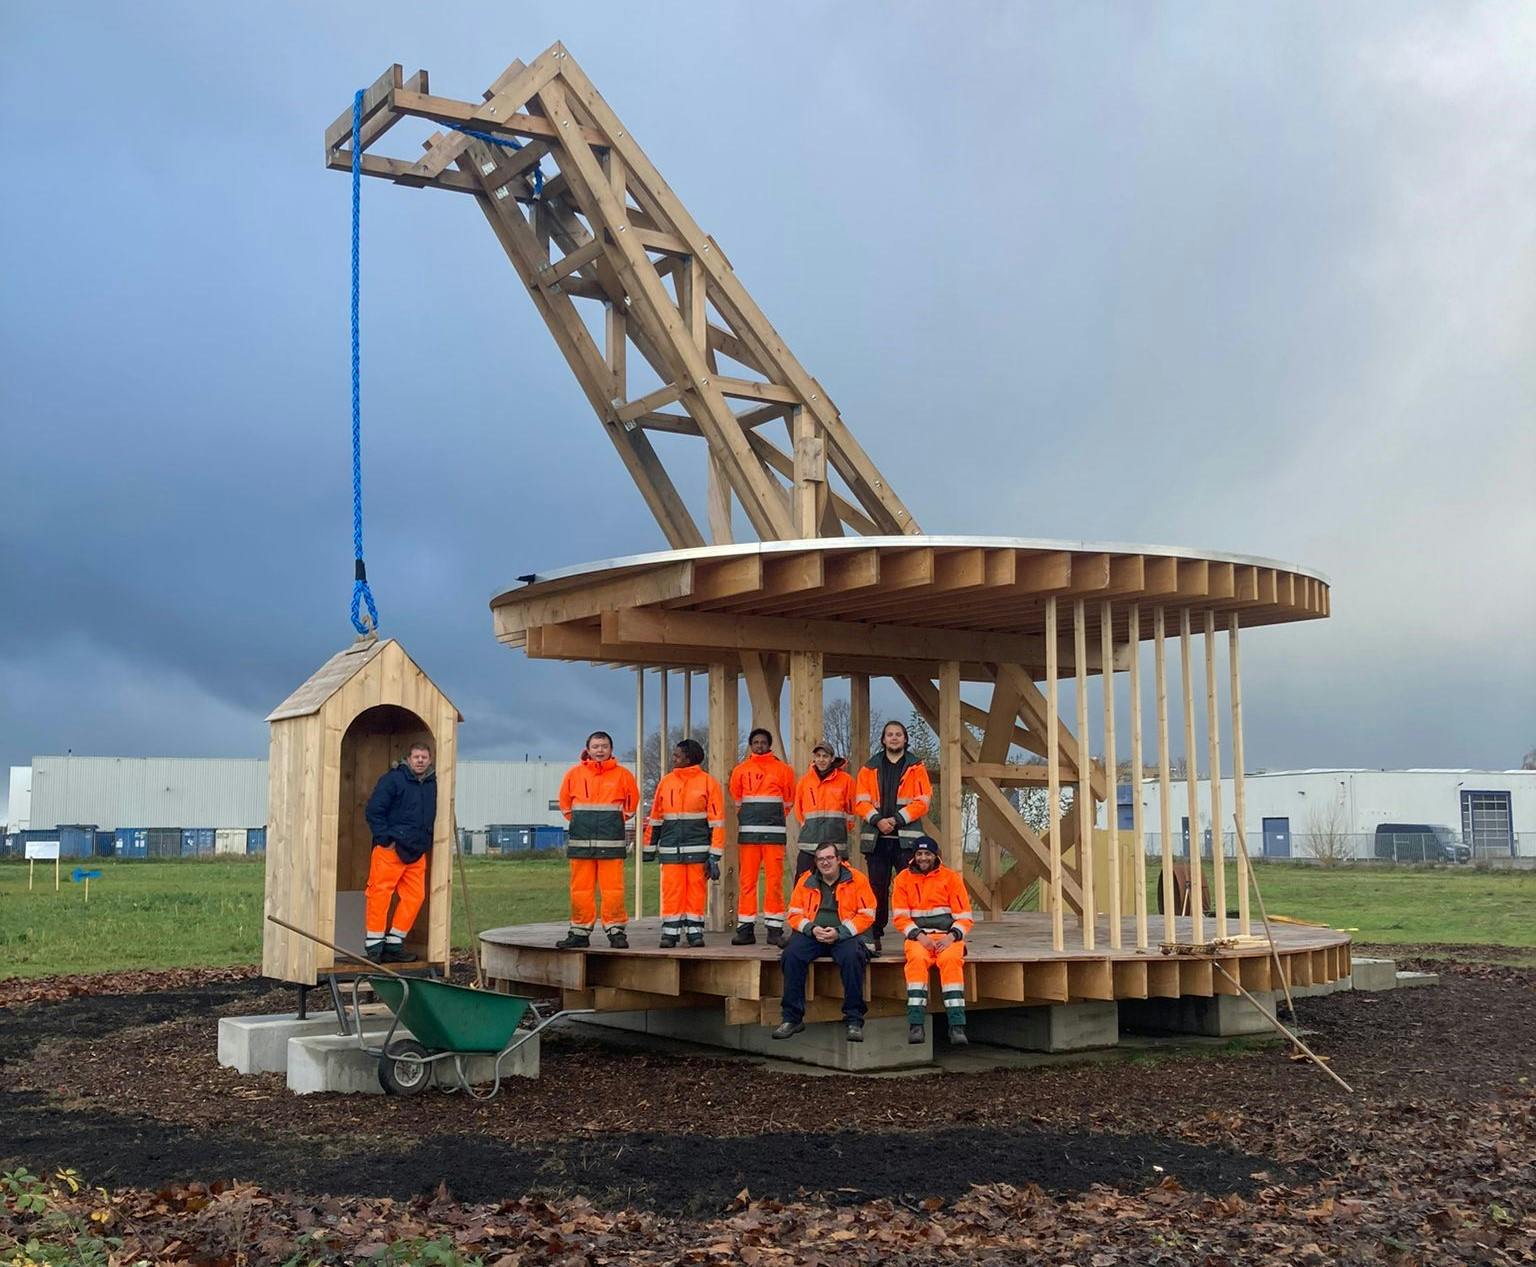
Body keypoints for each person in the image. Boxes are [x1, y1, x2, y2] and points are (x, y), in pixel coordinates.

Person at [772, 840, 878, 1043]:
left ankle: (854, 1020)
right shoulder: (806, 880)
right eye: (820, 859)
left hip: (845, 935)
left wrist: (840, 932)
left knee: (854, 957)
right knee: (791, 955)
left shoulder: (857, 879)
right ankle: (792, 1019)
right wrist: (811, 929)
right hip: (814, 934)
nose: (825, 862)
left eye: (829, 858)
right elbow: (794, 914)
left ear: (839, 859)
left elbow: (867, 914)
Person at [554, 730, 641, 950]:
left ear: (611, 749)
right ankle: (579, 932)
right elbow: (565, 803)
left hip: (610, 843)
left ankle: (616, 931)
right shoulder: (574, 774)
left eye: (604, 746)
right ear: (588, 749)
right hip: (581, 843)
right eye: (596, 747)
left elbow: (631, 804)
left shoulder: (623, 775)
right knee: (580, 889)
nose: (600, 750)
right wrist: (580, 822)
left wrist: (613, 821)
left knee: (613, 890)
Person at [853, 720, 933, 955]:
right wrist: (878, 820)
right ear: (883, 739)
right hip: (877, 839)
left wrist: (896, 819)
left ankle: (921, 934)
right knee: (876, 888)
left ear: (905, 739)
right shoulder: (869, 768)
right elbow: (860, 801)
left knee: (913, 887)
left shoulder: (916, 767)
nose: (894, 738)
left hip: (906, 840)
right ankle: (874, 934)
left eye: (898, 734)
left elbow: (923, 801)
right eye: (890, 734)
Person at [890, 835, 973, 1045]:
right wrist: (919, 935)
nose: (923, 857)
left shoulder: (951, 878)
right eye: (919, 854)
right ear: (914, 856)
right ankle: (916, 1024)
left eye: (927, 853)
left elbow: (964, 917)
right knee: (916, 964)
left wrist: (952, 936)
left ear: (936, 855)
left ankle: (957, 1026)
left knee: (952, 964)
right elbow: (900, 917)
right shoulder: (902, 879)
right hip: (919, 937)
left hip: (947, 936)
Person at [643, 738, 723, 948]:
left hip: (698, 850)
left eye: (677, 755)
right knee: (672, 891)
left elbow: (718, 823)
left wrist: (714, 856)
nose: (674, 758)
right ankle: (670, 934)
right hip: (671, 849)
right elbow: (656, 817)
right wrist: (648, 849)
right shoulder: (666, 782)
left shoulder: (708, 783)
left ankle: (695, 933)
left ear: (689, 758)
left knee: (696, 892)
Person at [363, 740, 437, 963]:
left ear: (430, 760)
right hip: (391, 850)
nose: (421, 761)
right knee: (380, 894)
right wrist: (386, 839)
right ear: (408, 759)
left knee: (416, 897)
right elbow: (374, 811)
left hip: (417, 850)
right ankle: (374, 946)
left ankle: (395, 942)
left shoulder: (432, 783)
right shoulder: (393, 780)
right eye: (417, 757)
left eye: (424, 757)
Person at [728, 727, 796, 946]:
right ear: (751, 745)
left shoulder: (783, 770)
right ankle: (745, 928)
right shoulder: (740, 770)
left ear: (769, 745)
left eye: (763, 742)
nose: (759, 745)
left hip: (773, 835)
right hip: (749, 835)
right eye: (755, 742)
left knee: (774, 881)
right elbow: (736, 799)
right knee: (747, 881)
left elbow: (788, 800)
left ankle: (774, 928)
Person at [792, 738, 856, 882]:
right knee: (802, 882)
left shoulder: (847, 781)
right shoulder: (804, 782)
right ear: (814, 758)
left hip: (836, 844)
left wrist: (841, 828)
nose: (821, 760)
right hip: (809, 844)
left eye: (825, 756)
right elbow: (798, 809)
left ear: (832, 758)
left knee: (839, 885)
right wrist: (807, 827)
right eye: (818, 756)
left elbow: (852, 811)